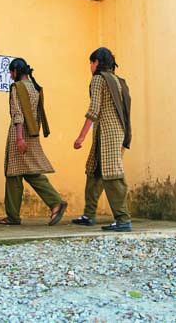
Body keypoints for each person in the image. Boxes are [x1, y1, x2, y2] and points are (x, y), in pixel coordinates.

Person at [0, 57, 67, 226]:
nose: (10, 76)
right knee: (31, 172)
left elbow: (17, 113)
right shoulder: (35, 88)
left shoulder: (17, 87)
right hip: (33, 133)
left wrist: (19, 138)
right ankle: (55, 202)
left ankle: (14, 216)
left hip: (19, 134)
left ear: (15, 72)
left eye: (11, 73)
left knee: (13, 173)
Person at [72, 47, 132, 231]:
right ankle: (89, 215)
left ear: (96, 62)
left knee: (113, 175)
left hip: (108, 133)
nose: (90, 66)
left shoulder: (98, 79)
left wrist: (81, 136)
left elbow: (94, 110)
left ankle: (123, 219)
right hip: (115, 132)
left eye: (91, 63)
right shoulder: (118, 80)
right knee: (94, 171)